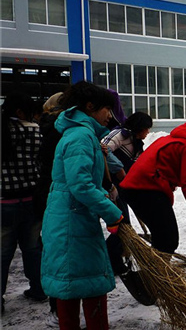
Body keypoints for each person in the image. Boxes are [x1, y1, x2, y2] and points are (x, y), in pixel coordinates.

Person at [41, 81, 123, 329]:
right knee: (85, 282)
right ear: (91, 107)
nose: (110, 115)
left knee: (73, 284)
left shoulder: (82, 134)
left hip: (71, 218)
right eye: (107, 109)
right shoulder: (80, 136)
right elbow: (80, 185)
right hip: (71, 222)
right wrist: (112, 213)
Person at [119, 121, 186, 253]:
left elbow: (167, 168)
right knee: (167, 240)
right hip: (145, 189)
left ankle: (145, 269)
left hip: (135, 187)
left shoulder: (171, 139)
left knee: (162, 235)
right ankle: (155, 272)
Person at [1, 93, 46, 314]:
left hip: (3, 202)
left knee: (2, 254)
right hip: (31, 200)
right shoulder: (35, 130)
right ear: (20, 112)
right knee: (33, 248)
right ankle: (38, 289)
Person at [101, 111, 152, 275]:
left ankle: (114, 259)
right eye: (147, 129)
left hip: (126, 187)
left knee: (124, 225)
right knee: (122, 225)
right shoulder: (119, 135)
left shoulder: (137, 142)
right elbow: (102, 149)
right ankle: (111, 261)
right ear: (139, 128)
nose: (148, 133)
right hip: (111, 186)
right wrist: (119, 169)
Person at [32, 92, 66, 327]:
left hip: (45, 194)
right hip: (56, 196)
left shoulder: (45, 128)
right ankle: (58, 309)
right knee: (58, 252)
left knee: (51, 249)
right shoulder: (59, 131)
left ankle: (58, 306)